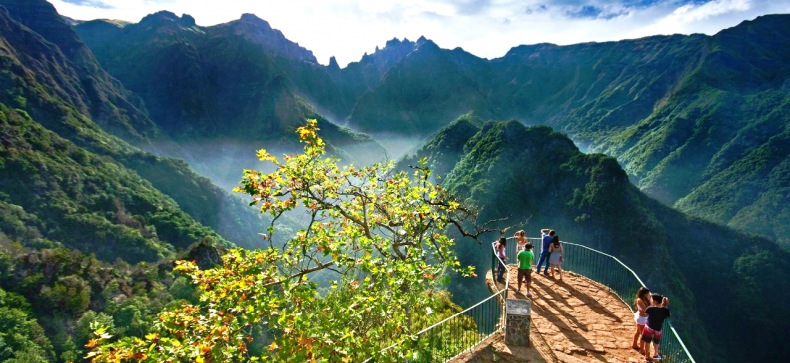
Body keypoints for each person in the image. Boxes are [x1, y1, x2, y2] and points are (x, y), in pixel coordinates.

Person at [642, 293, 671, 362]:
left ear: (655, 301)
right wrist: (665, 307)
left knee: (647, 342)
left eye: (651, 299)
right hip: (658, 329)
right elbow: (669, 316)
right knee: (656, 343)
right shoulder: (665, 310)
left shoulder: (650, 308)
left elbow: (645, 314)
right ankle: (655, 354)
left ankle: (647, 357)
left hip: (649, 327)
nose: (651, 300)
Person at [632, 287, 651, 353]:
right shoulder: (639, 300)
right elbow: (646, 309)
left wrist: (649, 299)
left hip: (644, 318)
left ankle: (634, 344)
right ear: (644, 294)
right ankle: (642, 349)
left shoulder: (645, 299)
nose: (648, 294)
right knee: (643, 335)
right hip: (641, 318)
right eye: (647, 293)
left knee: (638, 332)